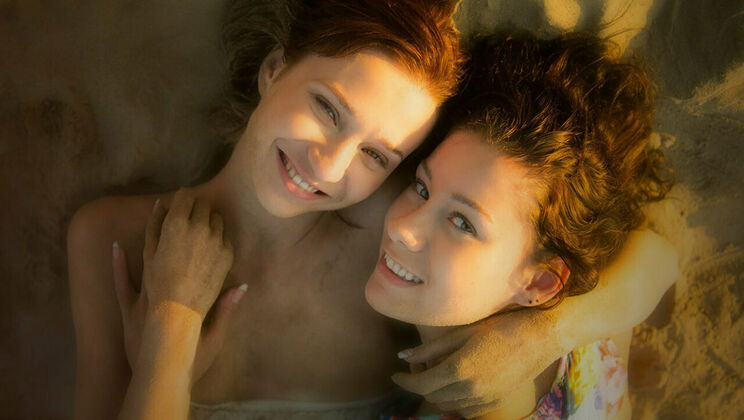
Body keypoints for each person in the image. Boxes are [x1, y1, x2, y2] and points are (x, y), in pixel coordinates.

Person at [68, 2, 677, 420]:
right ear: (274, 69)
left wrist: (543, 335)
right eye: (328, 109)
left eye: (376, 154)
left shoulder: (389, 241)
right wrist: (169, 331)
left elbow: (649, 256)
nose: (329, 166)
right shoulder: (111, 238)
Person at [365, 32, 674, 419]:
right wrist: (551, 334)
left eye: (462, 222)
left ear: (539, 282)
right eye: (423, 188)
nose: (403, 228)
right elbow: (661, 258)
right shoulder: (595, 314)